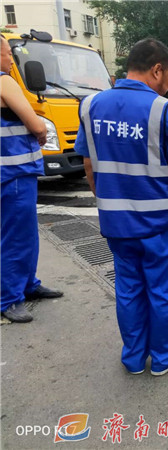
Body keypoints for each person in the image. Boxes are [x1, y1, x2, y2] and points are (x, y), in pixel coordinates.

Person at [74, 38, 168, 376]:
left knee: (128, 288)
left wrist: (106, 200)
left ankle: (133, 358)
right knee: (161, 290)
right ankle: (163, 358)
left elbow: (89, 165)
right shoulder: (163, 111)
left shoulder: (90, 106)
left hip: (116, 224)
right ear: (157, 69)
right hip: (158, 224)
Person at [1, 36, 64, 323]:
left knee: (21, 234)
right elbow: (37, 124)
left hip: (10, 174)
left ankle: (28, 285)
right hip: (14, 174)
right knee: (16, 237)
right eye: (7, 54)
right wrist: (39, 133)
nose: (10, 61)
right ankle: (10, 298)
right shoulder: (3, 81)